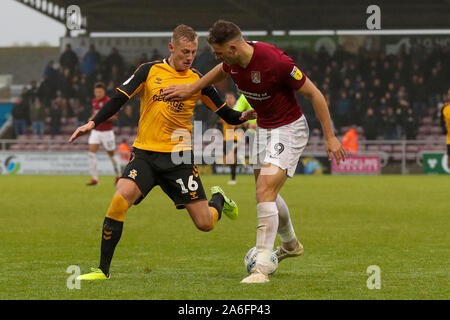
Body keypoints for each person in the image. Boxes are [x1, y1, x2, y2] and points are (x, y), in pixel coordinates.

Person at [162, 20, 345, 283]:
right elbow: (218, 72)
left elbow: (315, 94)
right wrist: (191, 89)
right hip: (262, 129)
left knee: (264, 191)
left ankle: (261, 266)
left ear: (234, 48)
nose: (217, 57)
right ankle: (291, 244)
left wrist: (330, 136)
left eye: (220, 52)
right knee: (266, 193)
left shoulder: (276, 62)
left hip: (288, 129)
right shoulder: (232, 62)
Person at [69, 24, 249, 280]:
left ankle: (218, 199)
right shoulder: (149, 71)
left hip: (179, 159)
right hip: (145, 154)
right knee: (120, 199)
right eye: (185, 51)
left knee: (205, 224)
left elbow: (227, 114)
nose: (189, 57)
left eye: (194, 52)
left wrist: (246, 115)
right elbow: (119, 98)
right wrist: (92, 123)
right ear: (171, 48)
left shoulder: (198, 80)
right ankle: (102, 270)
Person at [86, 82, 121, 186]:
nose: (98, 94)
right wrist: (92, 118)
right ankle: (95, 179)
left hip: (107, 132)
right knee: (91, 154)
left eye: (100, 91)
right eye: (96, 92)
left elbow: (114, 117)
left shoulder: (109, 101)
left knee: (111, 155)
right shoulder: (94, 101)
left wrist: (100, 117)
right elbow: (94, 114)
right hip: (96, 131)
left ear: (104, 92)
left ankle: (118, 176)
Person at [218, 92, 243, 185]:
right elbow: (219, 121)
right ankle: (236, 166)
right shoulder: (224, 111)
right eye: (227, 98)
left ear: (235, 100)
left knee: (232, 157)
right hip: (226, 138)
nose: (228, 100)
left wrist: (236, 125)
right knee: (228, 160)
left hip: (235, 138)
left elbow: (242, 124)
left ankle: (233, 178)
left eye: (231, 98)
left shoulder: (238, 110)